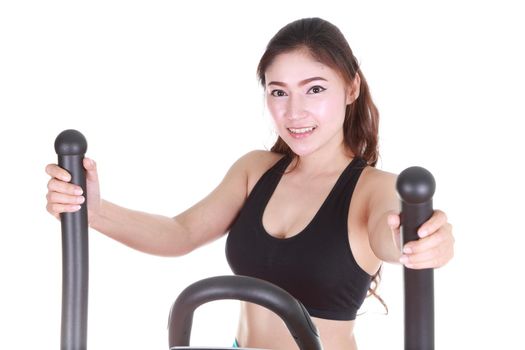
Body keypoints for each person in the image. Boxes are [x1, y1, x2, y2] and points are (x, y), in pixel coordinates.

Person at [45, 17, 454, 350]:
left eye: (314, 89)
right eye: (279, 92)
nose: (294, 112)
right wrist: (94, 212)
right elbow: (181, 233)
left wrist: (421, 241)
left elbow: (394, 236)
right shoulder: (256, 170)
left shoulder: (375, 188)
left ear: (351, 88)